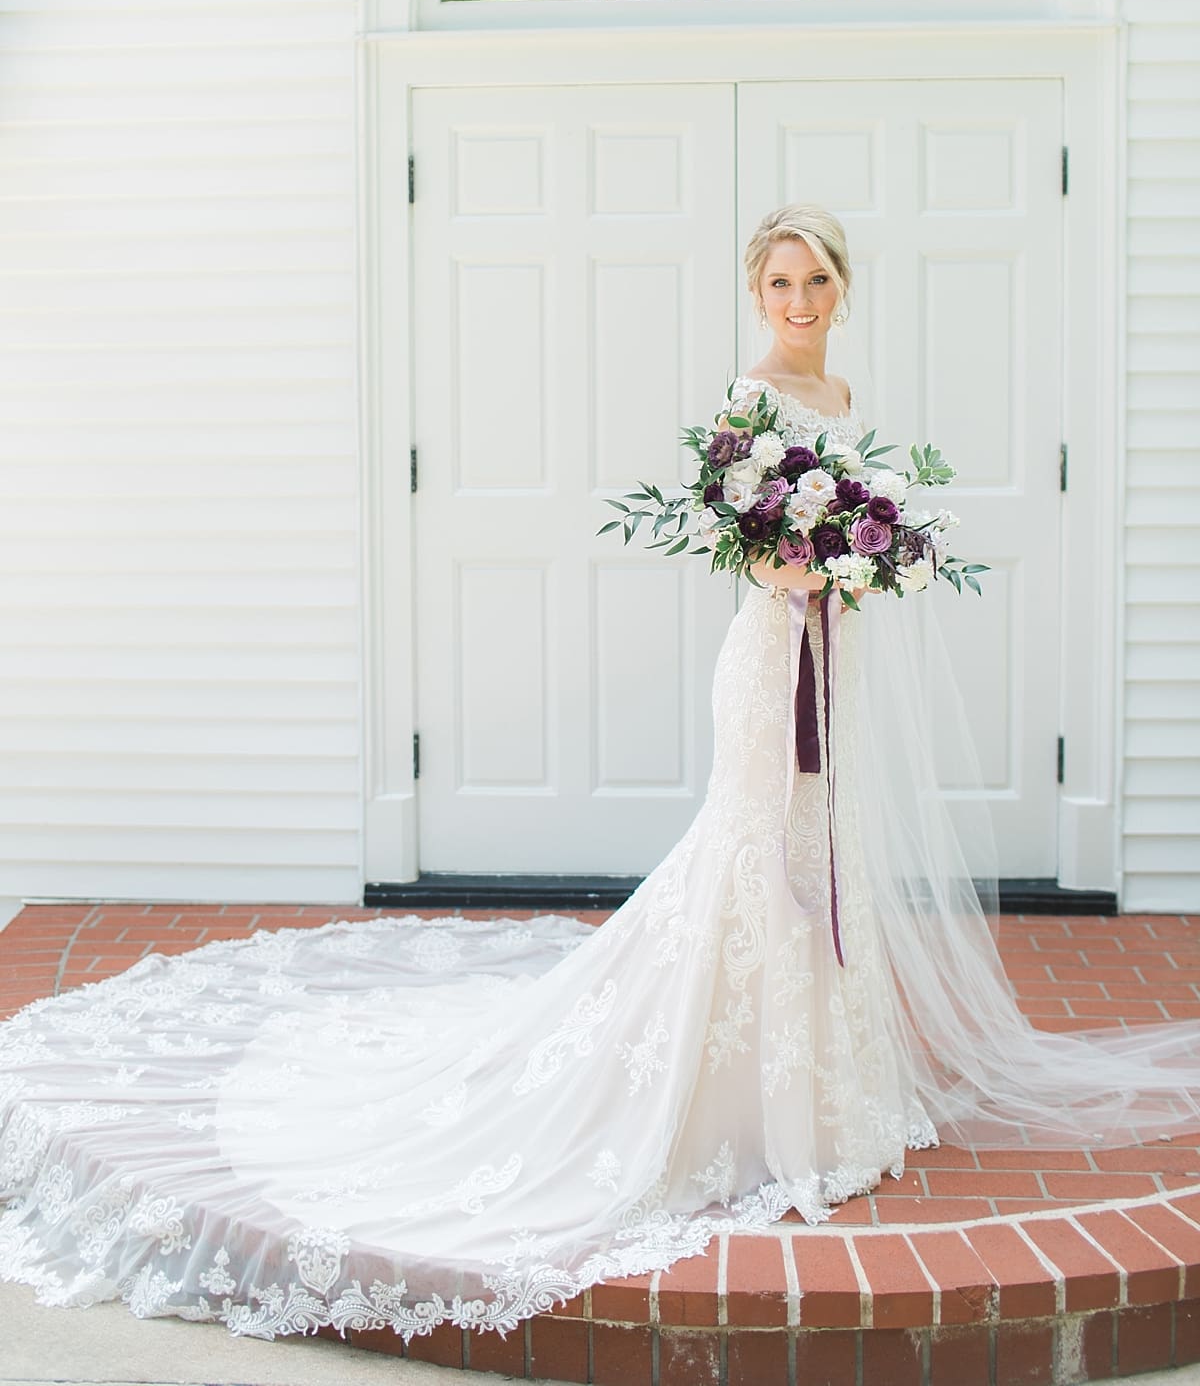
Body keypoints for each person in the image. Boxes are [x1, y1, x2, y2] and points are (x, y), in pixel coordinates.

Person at [3, 203, 1200, 1348]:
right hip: (770, 660)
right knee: (753, 843)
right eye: (779, 282)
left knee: (819, 840)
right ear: (754, 291)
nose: (798, 299)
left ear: (843, 290)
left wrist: (864, 565)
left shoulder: (840, 393)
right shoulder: (748, 399)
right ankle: (731, 1100)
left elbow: (845, 529)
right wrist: (804, 567)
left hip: (841, 662)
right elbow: (751, 542)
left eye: (816, 280)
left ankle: (831, 1096)